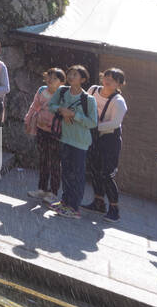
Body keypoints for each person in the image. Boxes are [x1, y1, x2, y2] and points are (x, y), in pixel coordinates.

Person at [46, 65, 98, 218]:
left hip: (80, 142)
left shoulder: (88, 99)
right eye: (69, 73)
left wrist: (73, 115)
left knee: (77, 175)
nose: (70, 76)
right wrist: (62, 110)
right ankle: (65, 201)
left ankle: (74, 208)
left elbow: (93, 122)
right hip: (64, 137)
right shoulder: (62, 92)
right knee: (66, 172)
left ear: (82, 79)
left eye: (75, 74)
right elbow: (51, 106)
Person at [85, 67, 128, 221]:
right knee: (94, 170)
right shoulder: (92, 90)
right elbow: (84, 106)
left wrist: (93, 126)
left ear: (119, 84)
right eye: (107, 76)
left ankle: (114, 209)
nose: (108, 80)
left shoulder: (119, 101)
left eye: (114, 79)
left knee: (107, 174)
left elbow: (115, 123)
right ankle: (98, 202)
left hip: (110, 139)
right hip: (93, 135)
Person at [24, 67, 66, 202]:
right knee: (43, 159)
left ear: (61, 82)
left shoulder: (64, 94)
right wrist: (28, 119)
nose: (51, 80)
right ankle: (41, 189)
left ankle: (53, 192)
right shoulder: (42, 90)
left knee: (54, 162)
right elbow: (34, 105)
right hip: (41, 128)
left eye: (55, 78)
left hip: (56, 131)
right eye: (49, 77)